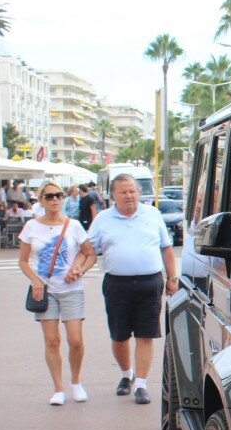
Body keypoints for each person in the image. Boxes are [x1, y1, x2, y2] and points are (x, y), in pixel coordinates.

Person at [85, 174, 176, 405]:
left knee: (146, 334)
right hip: (117, 285)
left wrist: (172, 278)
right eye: (123, 192)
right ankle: (126, 374)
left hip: (149, 283)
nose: (129, 196)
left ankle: (141, 385)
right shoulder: (103, 219)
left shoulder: (152, 214)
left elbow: (166, 249)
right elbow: (88, 250)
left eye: (132, 191)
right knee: (119, 336)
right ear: (113, 195)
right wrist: (76, 269)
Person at [19, 181, 95, 406]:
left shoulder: (73, 226)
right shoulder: (32, 228)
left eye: (58, 196)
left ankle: (76, 382)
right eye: (50, 196)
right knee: (52, 340)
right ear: (41, 200)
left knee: (75, 340)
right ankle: (58, 388)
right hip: (45, 290)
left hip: (71, 289)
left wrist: (79, 269)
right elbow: (23, 261)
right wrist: (34, 280)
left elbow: (90, 254)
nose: (55, 200)